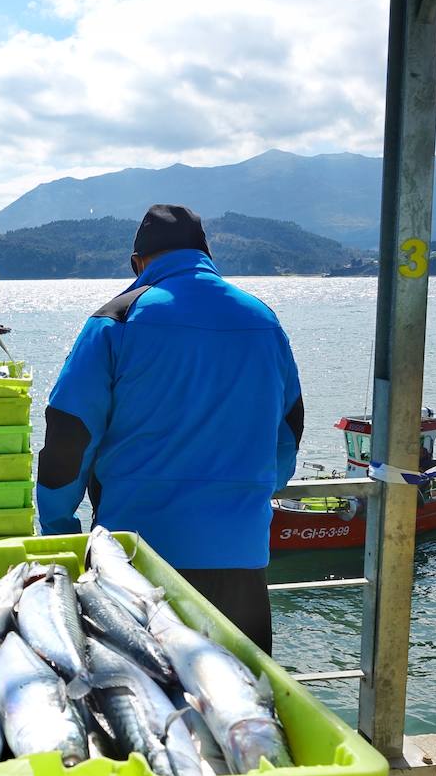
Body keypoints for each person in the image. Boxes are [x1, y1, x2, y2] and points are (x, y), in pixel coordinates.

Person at [37, 204, 302, 653]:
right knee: (243, 707)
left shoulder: (116, 320)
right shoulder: (263, 320)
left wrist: (60, 526)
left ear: (138, 262)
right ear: (205, 254)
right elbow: (288, 430)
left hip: (137, 562)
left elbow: (69, 434)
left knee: (144, 711)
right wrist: (243, 496)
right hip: (242, 557)